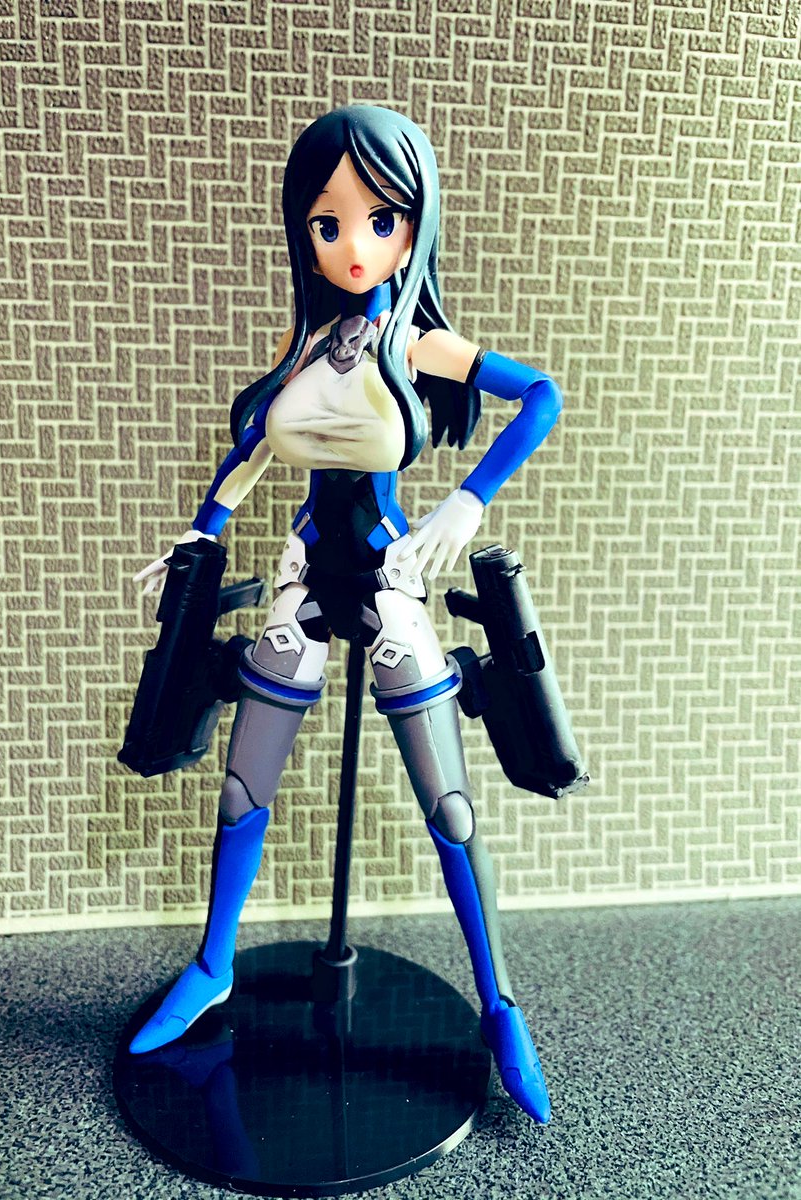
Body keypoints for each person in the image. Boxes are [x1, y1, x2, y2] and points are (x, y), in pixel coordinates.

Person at [127, 105, 562, 1126]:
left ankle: (500, 1005)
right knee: (244, 786)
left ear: (414, 227)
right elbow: (253, 448)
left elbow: (541, 395)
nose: (353, 244)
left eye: (380, 220)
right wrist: (199, 532)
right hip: (305, 571)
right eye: (328, 223)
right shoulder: (306, 338)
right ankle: (214, 965)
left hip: (389, 572)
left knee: (448, 808)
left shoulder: (419, 342)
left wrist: (468, 501)